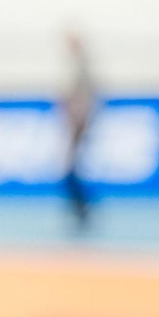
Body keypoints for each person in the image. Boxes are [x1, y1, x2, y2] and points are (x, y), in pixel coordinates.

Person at [62, 32, 97, 234]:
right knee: (72, 171)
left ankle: (83, 210)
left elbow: (86, 99)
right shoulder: (76, 68)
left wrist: (81, 122)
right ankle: (80, 210)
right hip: (75, 125)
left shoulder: (82, 70)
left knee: (72, 171)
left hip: (79, 125)